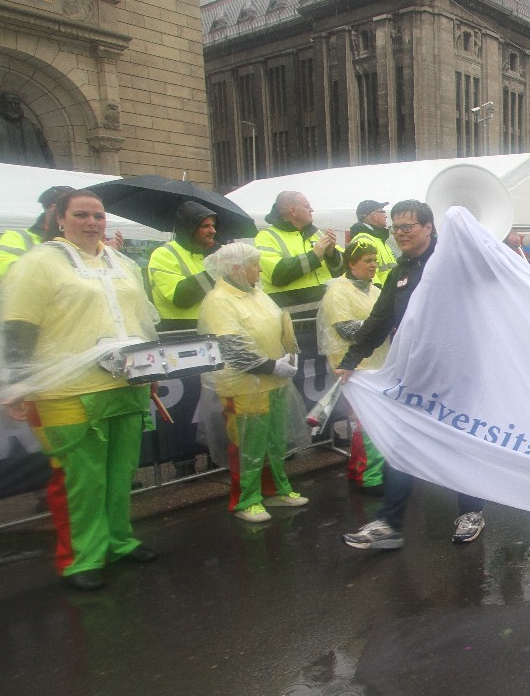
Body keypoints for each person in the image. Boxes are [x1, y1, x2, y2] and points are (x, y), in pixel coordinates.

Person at [0, 190, 158, 590]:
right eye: (81, 215)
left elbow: (142, 320)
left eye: (98, 216)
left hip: (125, 383)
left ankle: (118, 541)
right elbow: (18, 326)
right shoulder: (40, 262)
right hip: (67, 391)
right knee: (80, 479)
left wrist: (152, 366)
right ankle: (81, 557)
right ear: (60, 219)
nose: (92, 223)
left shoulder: (122, 263)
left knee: (120, 473)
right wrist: (17, 381)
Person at [340, 200, 489, 549]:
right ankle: (390, 524)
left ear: (428, 228)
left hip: (458, 373)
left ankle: (471, 512)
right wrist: (351, 358)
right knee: (402, 442)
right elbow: (379, 319)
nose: (400, 233)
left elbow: (500, 281)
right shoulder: (400, 272)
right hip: (415, 373)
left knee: (461, 442)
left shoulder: (456, 262)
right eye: (395, 228)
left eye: (407, 227)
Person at [198, 242, 309, 523]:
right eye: (254, 264)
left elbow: (279, 327)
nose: (260, 269)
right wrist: (273, 366)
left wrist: (288, 355)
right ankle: (246, 500)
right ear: (236, 268)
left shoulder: (257, 293)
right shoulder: (219, 300)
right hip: (243, 387)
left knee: (274, 441)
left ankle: (276, 489)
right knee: (248, 445)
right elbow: (232, 348)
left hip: (272, 382)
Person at [319, 239, 389, 496]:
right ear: (351, 264)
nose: (373, 265)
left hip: (376, 363)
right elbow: (346, 329)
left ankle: (363, 468)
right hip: (353, 365)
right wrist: (381, 324)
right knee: (364, 419)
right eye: (367, 261)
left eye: (375, 260)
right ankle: (367, 475)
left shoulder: (375, 290)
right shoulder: (338, 291)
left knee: (373, 419)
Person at [254, 190, 342, 314]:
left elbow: (345, 268)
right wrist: (314, 256)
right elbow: (276, 274)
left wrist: (331, 254)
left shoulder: (316, 233)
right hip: (294, 318)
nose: (312, 210)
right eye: (307, 206)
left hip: (326, 313)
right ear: (293, 211)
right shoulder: (266, 237)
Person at [147, 201, 219, 331]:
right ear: (190, 228)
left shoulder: (209, 254)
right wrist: (216, 269)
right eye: (206, 226)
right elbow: (180, 297)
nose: (213, 231)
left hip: (211, 326)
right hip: (179, 331)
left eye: (213, 226)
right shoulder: (164, 253)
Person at [0, 185, 73, 278]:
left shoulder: (79, 238)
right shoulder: (17, 237)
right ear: (55, 209)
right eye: (79, 213)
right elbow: (13, 272)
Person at [0, 91, 56, 167]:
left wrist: (53, 169)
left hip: (27, 169)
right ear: (1, 103)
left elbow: (45, 150)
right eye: (9, 103)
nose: (13, 106)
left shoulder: (29, 124)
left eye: (16, 103)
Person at [349, 199, 397, 281]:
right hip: (378, 289)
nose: (385, 216)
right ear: (374, 215)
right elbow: (366, 274)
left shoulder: (379, 240)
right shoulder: (363, 240)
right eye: (382, 212)